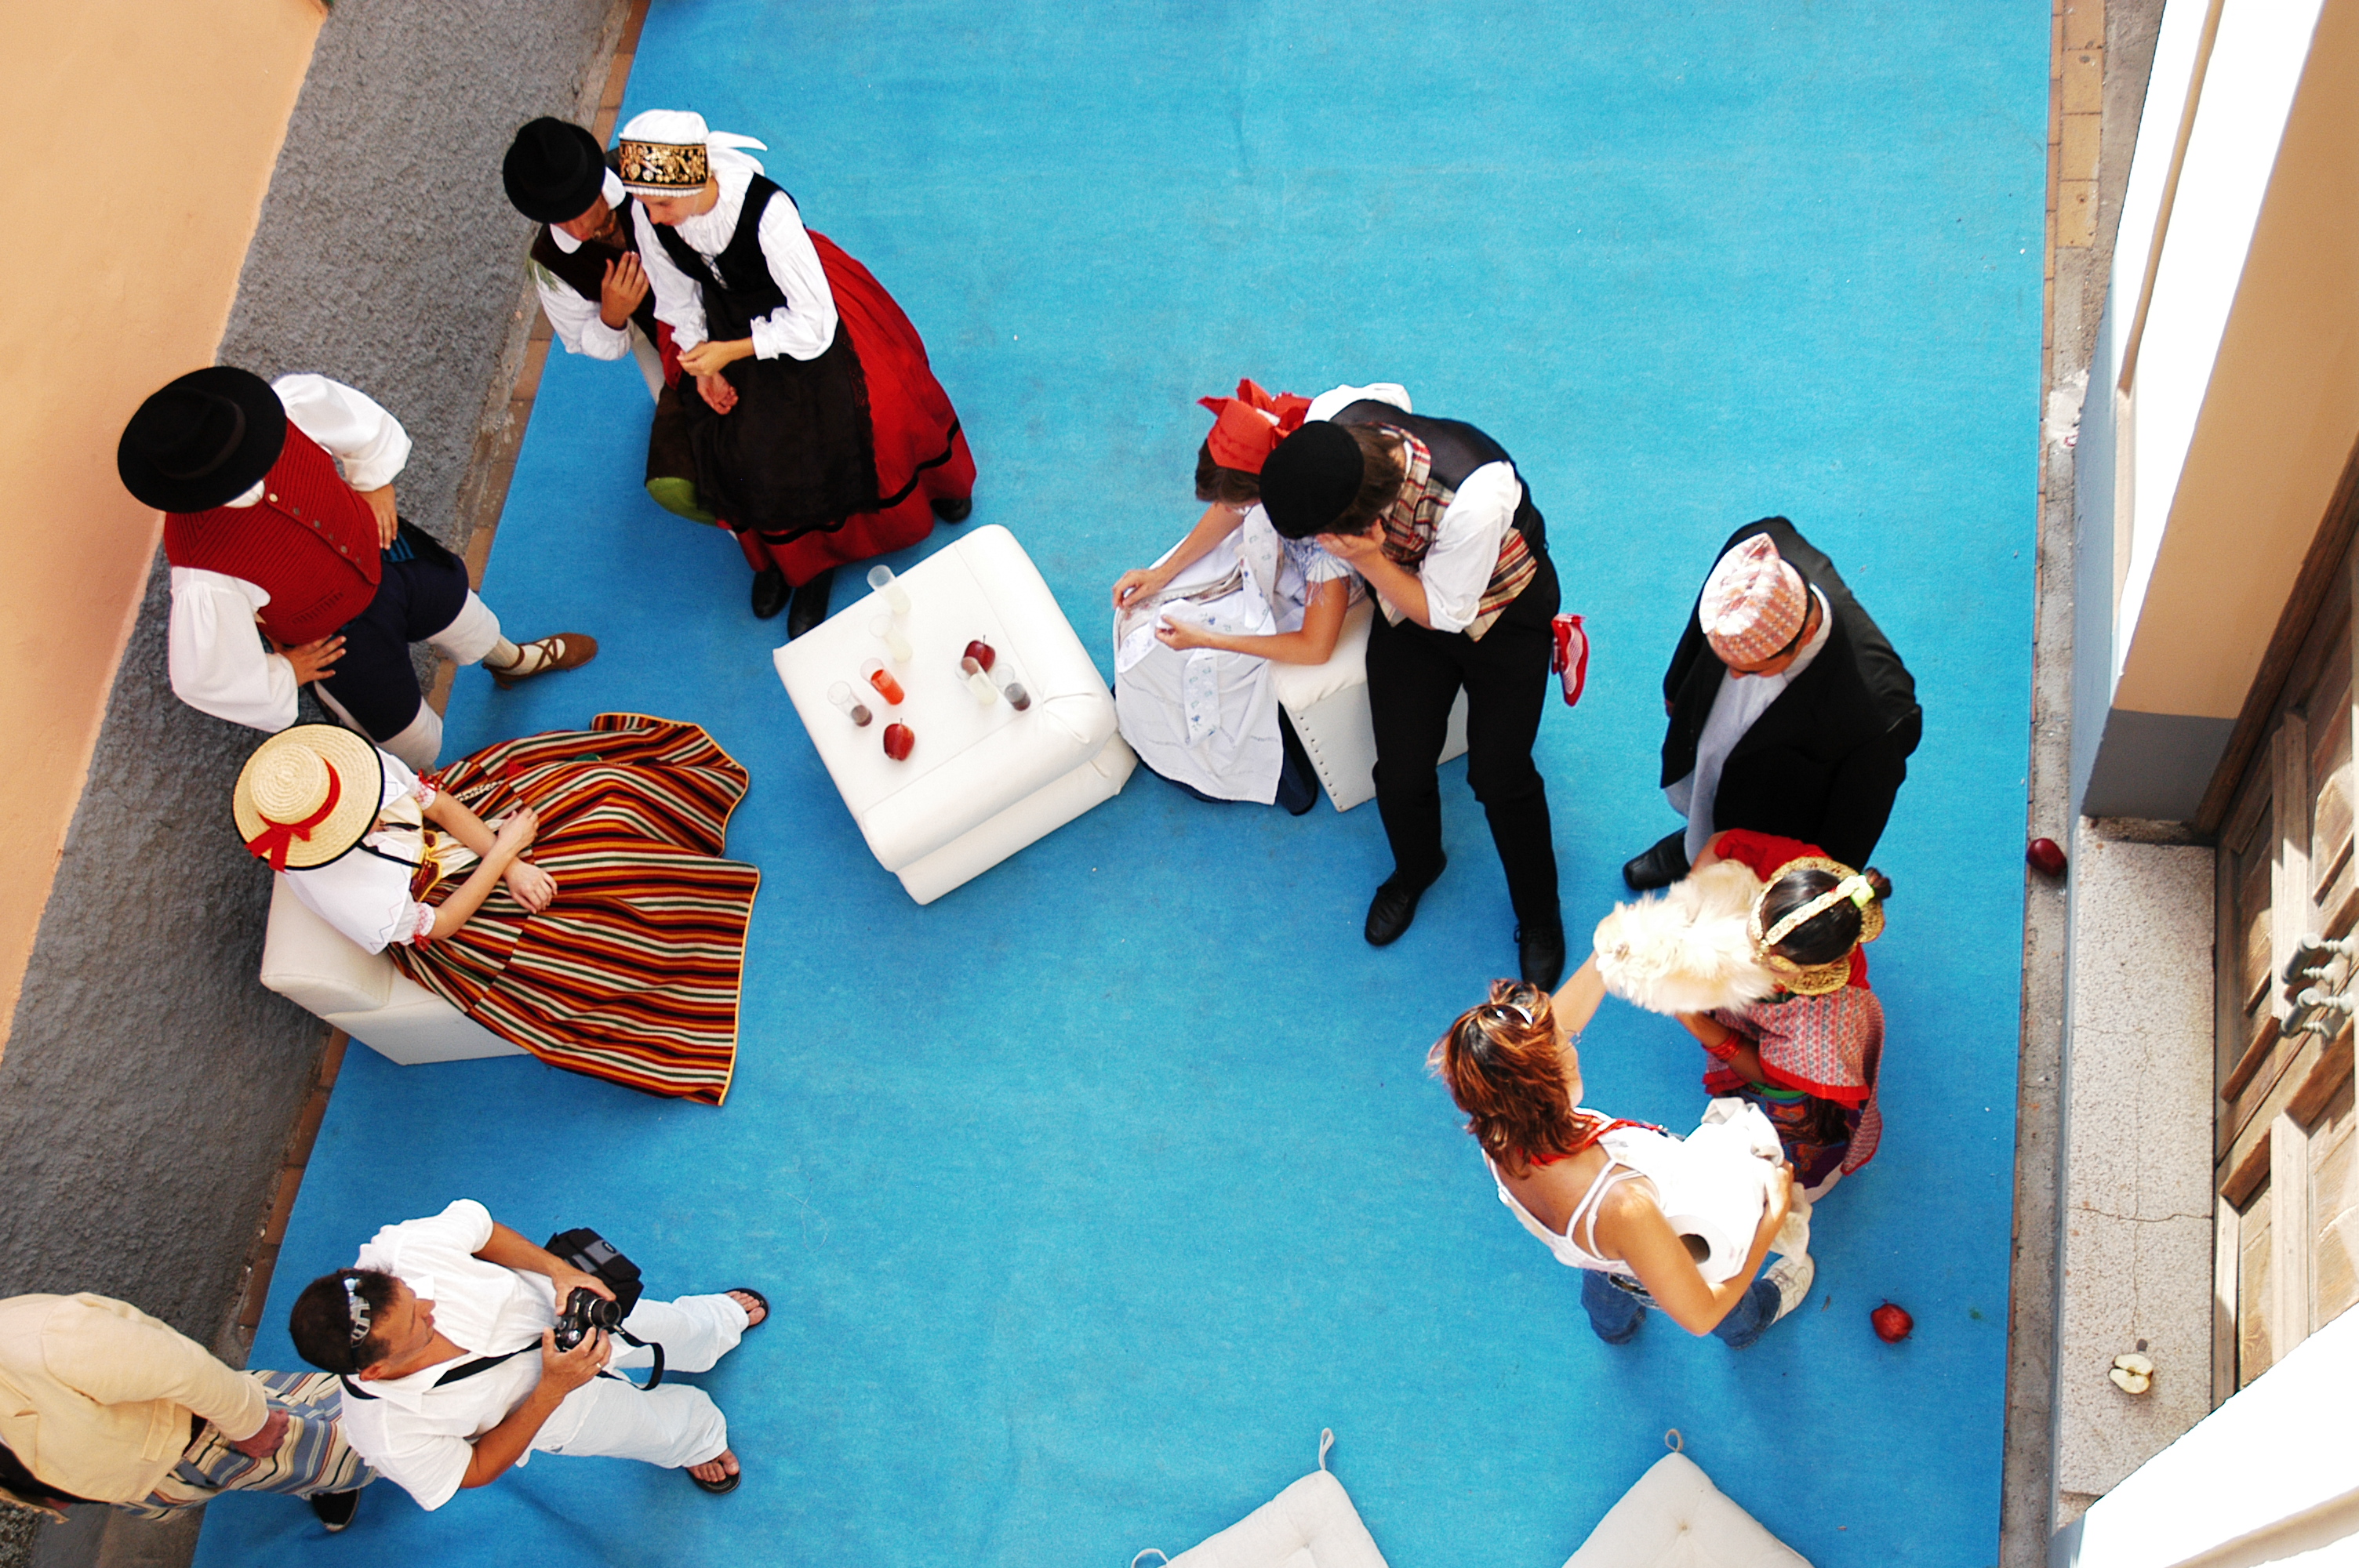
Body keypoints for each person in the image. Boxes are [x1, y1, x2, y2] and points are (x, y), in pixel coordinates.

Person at [233, 713, 759, 1105]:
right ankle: (684, 941)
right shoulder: (351, 896)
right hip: (446, 909)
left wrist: (513, 863)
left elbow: (440, 806)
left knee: (599, 791)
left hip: (463, 836)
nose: (367, 809)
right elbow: (442, 926)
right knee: (585, 908)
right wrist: (507, 853)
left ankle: (684, 829)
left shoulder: (352, 768)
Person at [120, 365, 597, 772]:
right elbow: (206, 674)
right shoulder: (202, 567)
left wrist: (374, 481)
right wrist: (284, 672)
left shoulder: (287, 408)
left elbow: (359, 424)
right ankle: (443, 790)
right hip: (336, 640)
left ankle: (512, 663)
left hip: (388, 553)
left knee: (463, 612)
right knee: (407, 735)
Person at [622, 109, 975, 635]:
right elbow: (677, 295)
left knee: (874, 414)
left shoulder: (767, 213)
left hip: (803, 315)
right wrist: (701, 363)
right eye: (645, 204)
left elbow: (814, 323)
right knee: (750, 453)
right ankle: (809, 564)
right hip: (727, 322)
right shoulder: (652, 214)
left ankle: (937, 486)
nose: (652, 218)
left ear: (701, 179)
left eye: (663, 205)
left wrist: (729, 353)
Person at [1258, 384, 1565, 986]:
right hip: (1408, 612)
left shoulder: (1475, 498)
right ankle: (1418, 867)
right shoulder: (1335, 419)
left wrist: (1369, 560)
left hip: (1503, 616)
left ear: (1365, 523)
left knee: (1501, 779)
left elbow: (1446, 612)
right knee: (1398, 770)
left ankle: (1539, 914)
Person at [288, 1201, 765, 1508]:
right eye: (417, 1322)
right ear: (375, 1371)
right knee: (650, 1430)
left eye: (413, 1296)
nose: (429, 1307)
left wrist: (560, 1272)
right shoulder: (385, 1434)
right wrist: (552, 1391)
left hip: (565, 1309)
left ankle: (718, 1323)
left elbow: (482, 1233)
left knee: (675, 1327)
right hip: (556, 1411)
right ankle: (698, 1440)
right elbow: (473, 1470)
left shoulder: (402, 1251)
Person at [1430, 967, 1812, 1347]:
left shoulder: (1498, 1125)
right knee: (1720, 1289)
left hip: (1598, 1251)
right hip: (1646, 1238)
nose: (1570, 1044)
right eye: (1562, 1048)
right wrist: (1773, 1216)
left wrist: (1608, 956)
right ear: (1548, 1085)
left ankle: (1616, 1330)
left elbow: (1548, 1036)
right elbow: (1702, 1315)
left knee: (1607, 1293)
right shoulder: (1627, 1207)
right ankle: (1749, 1325)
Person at [1623, 518, 1919, 891]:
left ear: (1805, 635)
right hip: (1725, 747)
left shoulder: (1879, 716)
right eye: (1725, 662)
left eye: (1750, 670)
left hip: (1773, 796)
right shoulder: (1755, 555)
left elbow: (1848, 833)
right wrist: (1678, 685)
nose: (1732, 678)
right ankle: (1693, 844)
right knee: (1706, 778)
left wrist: (1810, 890)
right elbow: (1700, 623)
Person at [1595, 830, 1890, 1197]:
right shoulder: (1797, 870)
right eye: (1753, 932)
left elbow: (1771, 1074)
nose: (1751, 957)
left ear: (1816, 971)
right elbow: (1722, 842)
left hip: (1795, 1055)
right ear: (1769, 890)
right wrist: (1689, 904)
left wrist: (1691, 1017)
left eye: (1772, 965)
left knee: (1793, 1106)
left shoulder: (1826, 1022)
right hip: (1766, 1010)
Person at [1109, 379, 1358, 813]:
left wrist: (1208, 640)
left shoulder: (1326, 540)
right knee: (1140, 615)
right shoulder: (1271, 458)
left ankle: (1271, 773)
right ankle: (1156, 724)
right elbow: (1232, 507)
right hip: (1266, 551)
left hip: (1309, 596)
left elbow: (1316, 647)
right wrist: (1161, 574)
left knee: (1203, 663)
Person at [0, 1291, 369, 1529]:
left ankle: (371, 1436)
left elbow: (179, 1367)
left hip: (197, 1436)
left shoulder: (43, 1341)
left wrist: (250, 1425)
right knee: (281, 1458)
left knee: (349, 1444)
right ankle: (317, 1475)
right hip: (137, 1476)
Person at [500, 116, 708, 526]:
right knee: (682, 479)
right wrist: (613, 316)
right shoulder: (551, 263)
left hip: (733, 311)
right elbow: (584, 341)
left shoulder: (646, 171)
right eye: (559, 218)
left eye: (580, 208)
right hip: (671, 351)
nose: (576, 228)